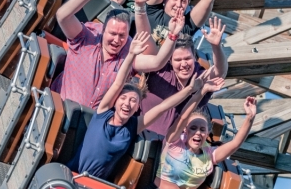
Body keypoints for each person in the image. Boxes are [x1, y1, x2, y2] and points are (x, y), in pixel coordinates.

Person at [71, 33, 216, 180]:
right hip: (73, 172)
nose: (127, 103)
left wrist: (190, 90)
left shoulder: (134, 126)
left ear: (137, 107)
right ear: (115, 101)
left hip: (95, 182)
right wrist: (131, 54)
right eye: (124, 98)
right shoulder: (103, 113)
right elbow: (118, 83)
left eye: (133, 101)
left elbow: (163, 107)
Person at [53, 0, 186, 109]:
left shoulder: (128, 53)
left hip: (90, 123)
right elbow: (62, 16)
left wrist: (173, 34)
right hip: (60, 110)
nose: (116, 40)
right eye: (112, 34)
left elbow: (157, 62)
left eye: (122, 35)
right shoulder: (86, 37)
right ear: (103, 30)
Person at [153, 85, 257, 189]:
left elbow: (235, 143)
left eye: (202, 129)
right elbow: (183, 117)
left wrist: (250, 118)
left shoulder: (209, 155)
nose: (198, 132)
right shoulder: (174, 142)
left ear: (207, 133)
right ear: (185, 130)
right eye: (193, 128)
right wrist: (201, 92)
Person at [140, 18, 228, 137]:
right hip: (140, 136)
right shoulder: (160, 69)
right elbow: (144, 37)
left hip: (171, 146)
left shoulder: (199, 77)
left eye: (187, 58)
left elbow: (219, 72)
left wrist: (216, 46)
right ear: (170, 60)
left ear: (194, 57)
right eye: (178, 60)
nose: (184, 64)